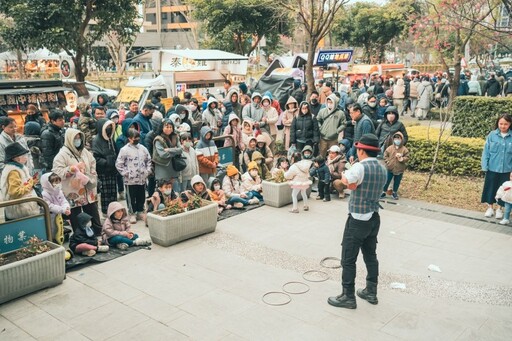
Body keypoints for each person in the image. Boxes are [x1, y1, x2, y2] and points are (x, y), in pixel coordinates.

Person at [328, 133, 387, 309]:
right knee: (370, 254)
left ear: (361, 151)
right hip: (374, 217)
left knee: (348, 258)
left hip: (358, 218)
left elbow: (347, 181)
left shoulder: (360, 167)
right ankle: (371, 291)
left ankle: (348, 296)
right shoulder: (382, 169)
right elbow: (355, 185)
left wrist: (345, 174)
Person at [52, 128, 101, 235]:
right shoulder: (62, 155)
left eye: (79, 138)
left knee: (93, 210)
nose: (78, 140)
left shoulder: (84, 151)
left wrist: (91, 173)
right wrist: (71, 169)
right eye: (75, 138)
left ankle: (97, 232)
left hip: (87, 188)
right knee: (75, 214)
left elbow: (92, 162)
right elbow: (57, 171)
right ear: (69, 139)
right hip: (72, 191)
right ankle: (79, 236)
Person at [116, 129, 152, 224]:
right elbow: (119, 164)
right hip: (130, 180)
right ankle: (132, 213)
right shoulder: (124, 150)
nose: (137, 139)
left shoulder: (143, 148)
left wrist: (147, 171)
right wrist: (126, 173)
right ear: (129, 139)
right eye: (134, 138)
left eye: (138, 137)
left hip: (142, 179)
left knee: (141, 196)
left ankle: (140, 211)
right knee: (131, 197)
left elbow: (148, 160)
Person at [481, 114, 512, 219]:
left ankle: (500, 209)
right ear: (498, 123)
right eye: (501, 123)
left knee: (504, 191)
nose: (503, 126)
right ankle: (490, 208)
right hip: (492, 168)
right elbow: (486, 152)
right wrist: (485, 166)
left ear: (510, 124)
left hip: (507, 170)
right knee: (491, 188)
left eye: (506, 124)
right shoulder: (492, 135)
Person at [0, 142, 40, 220]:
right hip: (20, 211)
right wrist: (30, 184)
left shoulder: (19, 168)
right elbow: (15, 192)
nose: (26, 157)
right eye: (23, 155)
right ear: (16, 158)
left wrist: (32, 181)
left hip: (24, 208)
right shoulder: (13, 172)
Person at [92, 118, 118, 215]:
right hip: (103, 172)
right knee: (105, 194)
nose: (109, 129)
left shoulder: (110, 139)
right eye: (107, 127)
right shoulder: (96, 141)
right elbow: (95, 157)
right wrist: (107, 162)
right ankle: (105, 212)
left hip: (112, 170)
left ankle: (114, 211)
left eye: (110, 127)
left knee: (113, 193)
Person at [152, 118, 183, 192]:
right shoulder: (158, 139)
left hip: (174, 168)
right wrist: (175, 151)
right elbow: (163, 154)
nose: (169, 129)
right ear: (162, 127)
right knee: (164, 191)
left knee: (175, 192)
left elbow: (181, 150)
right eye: (166, 127)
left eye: (170, 127)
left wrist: (169, 150)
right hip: (163, 169)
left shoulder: (175, 137)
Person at [41, 172, 71, 243]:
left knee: (59, 228)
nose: (57, 184)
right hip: (49, 215)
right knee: (51, 229)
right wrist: (63, 210)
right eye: (55, 182)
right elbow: (50, 206)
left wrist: (66, 208)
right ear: (47, 183)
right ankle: (52, 241)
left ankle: (58, 240)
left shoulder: (59, 191)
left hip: (58, 214)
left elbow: (64, 201)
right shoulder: (44, 194)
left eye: (58, 182)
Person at [381, 132, 409, 200]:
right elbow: (385, 155)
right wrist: (387, 161)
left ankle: (394, 192)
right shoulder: (390, 148)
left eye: (398, 139)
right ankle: (383, 191)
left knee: (397, 181)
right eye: (395, 139)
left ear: (401, 139)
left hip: (400, 169)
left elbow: (407, 157)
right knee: (387, 180)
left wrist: (402, 159)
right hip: (390, 168)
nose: (397, 140)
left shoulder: (404, 149)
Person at [284, 148, 312, 213]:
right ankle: (306, 205)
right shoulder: (304, 164)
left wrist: (285, 172)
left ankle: (295, 208)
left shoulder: (294, 166)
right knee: (303, 193)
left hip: (298, 182)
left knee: (294, 195)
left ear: (293, 158)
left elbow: (288, 175)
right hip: (304, 182)